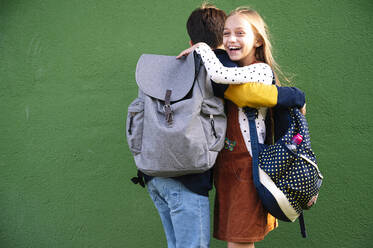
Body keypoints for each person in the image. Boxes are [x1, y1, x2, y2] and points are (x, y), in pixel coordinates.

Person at [138, 4, 305, 248]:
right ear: (220, 38)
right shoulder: (222, 67)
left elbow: (239, 90)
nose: (232, 39)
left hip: (232, 168)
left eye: (239, 33)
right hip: (215, 174)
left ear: (258, 40)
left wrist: (295, 96)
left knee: (237, 242)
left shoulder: (253, 70)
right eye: (227, 33)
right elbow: (235, 89)